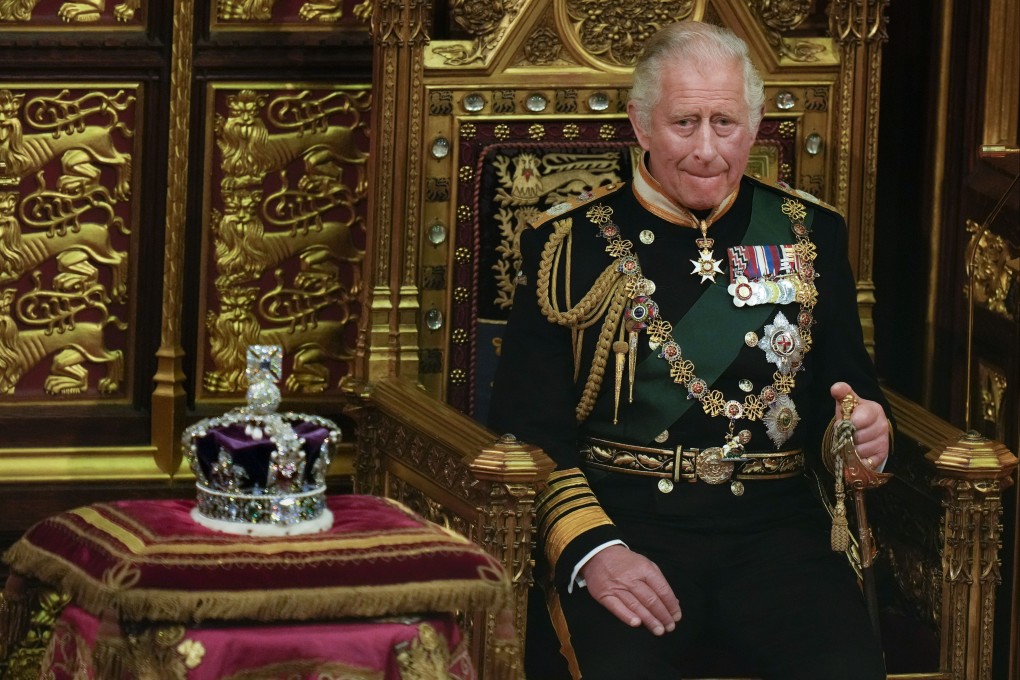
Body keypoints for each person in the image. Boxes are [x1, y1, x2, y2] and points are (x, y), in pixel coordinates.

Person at [488, 20, 891, 680]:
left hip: (776, 536)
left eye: (725, 123)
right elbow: (526, 433)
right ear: (640, 124)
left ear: (755, 125)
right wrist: (593, 550)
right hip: (630, 524)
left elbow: (844, 393)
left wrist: (862, 434)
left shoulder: (809, 232)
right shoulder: (570, 244)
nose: (707, 150)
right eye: (685, 123)